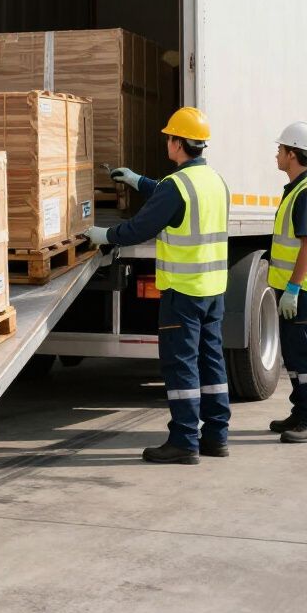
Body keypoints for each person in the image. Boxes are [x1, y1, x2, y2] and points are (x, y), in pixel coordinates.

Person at [86, 108, 230, 465]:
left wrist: (104, 235)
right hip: (213, 290)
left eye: (169, 137)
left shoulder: (177, 186)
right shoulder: (214, 180)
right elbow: (170, 198)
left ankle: (183, 441)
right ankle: (216, 436)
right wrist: (137, 180)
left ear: (178, 143)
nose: (167, 142)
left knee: (180, 365)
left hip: (182, 292)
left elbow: (140, 227)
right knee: (212, 363)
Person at [267, 121, 307, 444]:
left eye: (280, 149)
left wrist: (293, 288)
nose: (276, 154)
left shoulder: (306, 194)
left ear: (292, 154)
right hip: (294, 290)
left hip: (303, 292)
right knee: (294, 356)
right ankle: (302, 411)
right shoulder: (297, 190)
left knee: (306, 357)